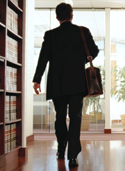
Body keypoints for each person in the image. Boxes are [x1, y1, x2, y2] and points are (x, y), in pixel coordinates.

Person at [32, 3, 99, 167]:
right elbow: (95, 51)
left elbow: (43, 58)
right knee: (75, 118)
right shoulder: (82, 31)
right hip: (77, 83)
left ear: (57, 17)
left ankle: (61, 147)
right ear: (72, 15)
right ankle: (72, 156)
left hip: (57, 84)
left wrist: (37, 79)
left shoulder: (50, 35)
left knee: (60, 116)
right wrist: (79, 62)